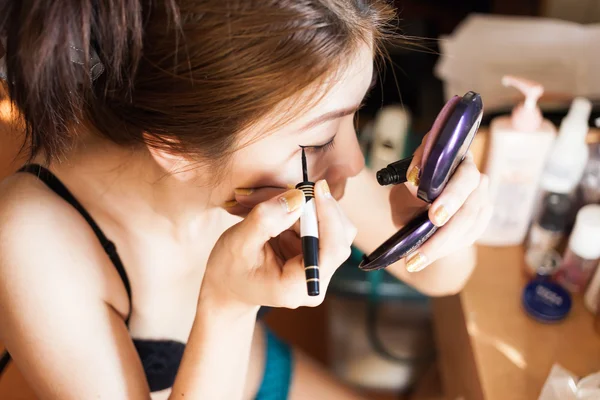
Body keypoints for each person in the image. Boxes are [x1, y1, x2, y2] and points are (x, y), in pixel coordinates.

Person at [0, 1, 491, 399]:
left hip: (260, 376)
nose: (353, 166)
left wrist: (441, 208)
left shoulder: (283, 149)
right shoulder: (34, 244)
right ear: (180, 150)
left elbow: (448, 275)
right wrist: (228, 306)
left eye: (354, 116)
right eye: (320, 138)